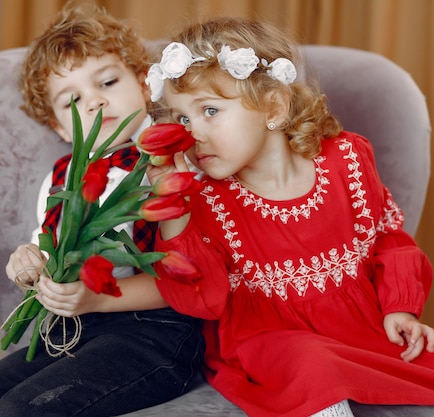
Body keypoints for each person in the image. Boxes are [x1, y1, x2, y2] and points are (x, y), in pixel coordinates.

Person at [145, 15, 434, 417]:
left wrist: (399, 307)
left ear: (274, 107)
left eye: (209, 110)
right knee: (312, 364)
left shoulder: (347, 158)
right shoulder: (206, 200)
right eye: (181, 118)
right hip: (268, 341)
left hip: (360, 328)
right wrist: (172, 206)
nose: (193, 133)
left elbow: (388, 238)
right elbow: (200, 301)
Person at [0, 4, 203, 417]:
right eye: (73, 99)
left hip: (158, 333)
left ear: (144, 85)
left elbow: (186, 284)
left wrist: (94, 300)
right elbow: (47, 255)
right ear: (60, 126)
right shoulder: (60, 179)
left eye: (109, 81)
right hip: (73, 329)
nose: (95, 101)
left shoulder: (172, 163)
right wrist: (29, 266)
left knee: (21, 410)